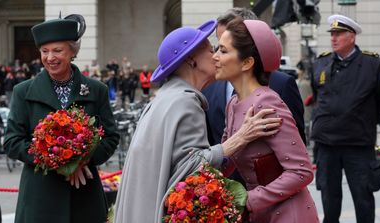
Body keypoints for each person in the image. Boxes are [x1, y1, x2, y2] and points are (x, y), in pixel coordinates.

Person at [114, 19, 282, 223]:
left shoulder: (168, 96)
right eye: (211, 50)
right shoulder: (185, 101)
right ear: (191, 60)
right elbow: (192, 168)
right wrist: (240, 138)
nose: (216, 56)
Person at [4, 14, 119, 223]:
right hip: (39, 199)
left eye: (57, 50)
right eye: (44, 51)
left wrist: (82, 160)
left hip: (84, 197)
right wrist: (57, 160)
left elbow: (111, 137)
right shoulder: (23, 91)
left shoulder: (96, 90)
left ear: (72, 51)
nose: (50, 58)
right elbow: (12, 141)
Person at [215, 17, 319, 223]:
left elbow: (302, 171)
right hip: (260, 214)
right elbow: (227, 159)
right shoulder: (233, 103)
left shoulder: (267, 102)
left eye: (223, 51)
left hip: (289, 214)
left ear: (247, 62)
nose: (214, 57)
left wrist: (248, 200)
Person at [312, 14, 380, 223]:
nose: (333, 38)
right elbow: (318, 97)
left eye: (339, 34)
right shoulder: (321, 63)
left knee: (363, 198)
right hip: (327, 144)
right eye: (332, 34)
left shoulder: (373, 64)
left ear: (352, 37)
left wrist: (364, 119)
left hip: (358, 144)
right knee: (329, 200)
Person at [203, 7, 305, 147]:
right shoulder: (209, 88)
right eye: (218, 45)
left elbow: (296, 150)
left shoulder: (281, 85)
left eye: (224, 49)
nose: (215, 56)